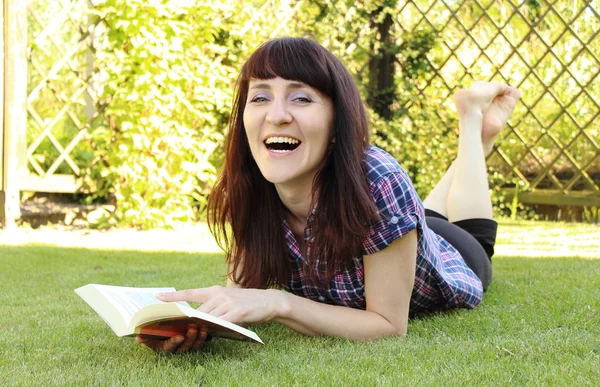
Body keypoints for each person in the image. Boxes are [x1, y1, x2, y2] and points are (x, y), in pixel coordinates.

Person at [136, 37, 521, 352]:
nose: (277, 115)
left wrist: (279, 303)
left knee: (475, 239)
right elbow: (242, 294)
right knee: (426, 214)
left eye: (301, 98)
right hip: (401, 229)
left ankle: (473, 123)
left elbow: (388, 325)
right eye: (260, 97)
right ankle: (475, 139)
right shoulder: (250, 183)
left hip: (454, 254)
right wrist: (199, 326)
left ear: (338, 123)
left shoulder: (379, 181)